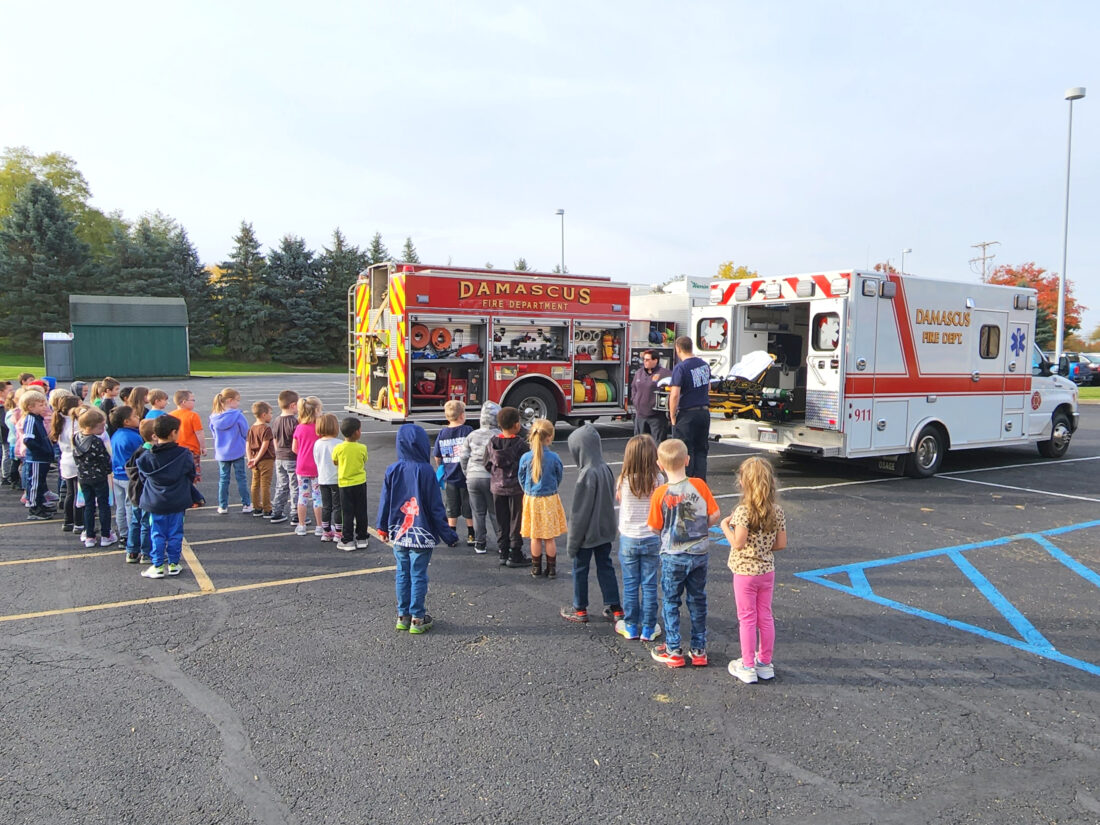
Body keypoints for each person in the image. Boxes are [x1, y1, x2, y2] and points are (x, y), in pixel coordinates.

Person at [647, 438, 721, 668]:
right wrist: (702, 526)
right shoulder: (699, 485)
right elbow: (715, 515)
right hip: (699, 552)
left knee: (670, 600)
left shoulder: (660, 494)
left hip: (673, 554)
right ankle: (698, 649)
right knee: (697, 599)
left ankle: (674, 648)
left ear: (660, 464)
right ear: (687, 460)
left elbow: (653, 527)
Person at [378, 423, 457, 633]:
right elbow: (435, 507)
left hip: (398, 531)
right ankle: (418, 617)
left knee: (402, 572)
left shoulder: (393, 469)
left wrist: (382, 527)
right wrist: (448, 534)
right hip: (422, 534)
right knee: (418, 573)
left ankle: (402, 615)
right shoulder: (426, 471)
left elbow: (385, 501)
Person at [720, 456, 787, 684]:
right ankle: (764, 663)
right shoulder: (776, 511)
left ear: (744, 483)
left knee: (747, 619)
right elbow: (781, 544)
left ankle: (747, 665)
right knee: (765, 616)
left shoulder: (743, 511)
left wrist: (724, 527)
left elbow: (738, 543)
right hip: (766, 570)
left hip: (744, 572)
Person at [559, 423, 623, 624]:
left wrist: (572, 542)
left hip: (587, 534)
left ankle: (580, 608)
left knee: (580, 569)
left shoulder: (586, 474)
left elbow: (579, 514)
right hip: (604, 531)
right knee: (606, 566)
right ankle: (615, 608)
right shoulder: (605, 468)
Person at [614, 434, 664, 642]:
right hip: (652, 536)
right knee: (650, 583)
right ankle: (649, 627)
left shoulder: (624, 479)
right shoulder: (658, 479)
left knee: (630, 583)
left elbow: (619, 498)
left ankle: (631, 625)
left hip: (629, 537)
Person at [137, 414, 197, 579]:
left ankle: (157, 565)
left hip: (155, 501)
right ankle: (173, 563)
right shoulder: (184, 454)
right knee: (176, 533)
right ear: (173, 433)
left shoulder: (146, 457)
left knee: (157, 533)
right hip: (177, 500)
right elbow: (191, 474)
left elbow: (143, 478)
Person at [519, 418, 566, 578]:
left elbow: (521, 476)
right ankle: (551, 569)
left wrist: (526, 490)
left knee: (535, 536)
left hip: (532, 500)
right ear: (550, 437)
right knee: (549, 537)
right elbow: (559, 476)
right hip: (549, 499)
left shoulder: (526, 457)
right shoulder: (554, 457)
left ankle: (536, 568)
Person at [485, 406, 529, 567]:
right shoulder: (520, 444)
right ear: (517, 425)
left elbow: (487, 463)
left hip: (497, 486)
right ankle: (515, 552)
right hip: (516, 487)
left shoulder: (492, 442)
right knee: (515, 519)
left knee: (501, 519)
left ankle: (502, 550)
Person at [458, 401, 501, 556]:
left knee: (478, 512)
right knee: (495, 512)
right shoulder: (498, 435)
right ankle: (502, 543)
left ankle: (480, 543)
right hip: (491, 477)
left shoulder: (472, 435)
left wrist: (467, 473)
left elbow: (463, 457)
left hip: (473, 477)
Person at [667, 336, 711, 480]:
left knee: (685, 450)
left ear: (678, 349)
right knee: (701, 450)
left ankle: (687, 484)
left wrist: (672, 416)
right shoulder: (704, 365)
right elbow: (708, 386)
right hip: (704, 412)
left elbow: (674, 395)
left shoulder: (681, 367)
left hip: (687, 414)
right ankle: (701, 484)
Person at [432, 399, 475, 546]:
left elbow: (437, 456)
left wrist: (441, 467)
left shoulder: (442, 433)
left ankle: (452, 534)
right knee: (468, 505)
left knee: (451, 506)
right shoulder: (468, 430)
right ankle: (471, 533)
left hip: (450, 476)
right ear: (462, 415)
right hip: (466, 475)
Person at [73, 407, 115, 548]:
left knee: (88, 506)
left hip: (83, 477)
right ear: (90, 427)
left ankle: (89, 535)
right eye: (101, 426)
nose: (103, 429)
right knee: (103, 505)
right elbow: (104, 458)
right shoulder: (96, 441)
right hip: (99, 476)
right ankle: (105, 534)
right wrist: (108, 470)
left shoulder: (76, 438)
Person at [210, 388, 252, 514]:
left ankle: (223, 505)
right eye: (237, 400)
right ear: (230, 401)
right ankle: (246, 503)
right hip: (237, 450)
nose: (238, 403)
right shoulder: (238, 415)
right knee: (241, 478)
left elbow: (214, 434)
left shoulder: (214, 417)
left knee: (223, 479)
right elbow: (245, 432)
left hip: (222, 452)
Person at [124, 418, 158, 565]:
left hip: (134, 492)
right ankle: (146, 553)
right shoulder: (150, 454)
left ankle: (132, 551)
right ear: (154, 436)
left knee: (135, 521)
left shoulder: (138, 450)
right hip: (144, 494)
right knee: (146, 523)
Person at [109, 405, 144, 547]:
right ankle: (132, 535)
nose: (138, 418)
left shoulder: (116, 434)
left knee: (121, 507)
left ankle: (123, 534)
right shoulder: (133, 437)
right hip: (129, 477)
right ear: (126, 421)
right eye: (135, 416)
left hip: (117, 475)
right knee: (131, 507)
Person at [333, 417, 369, 551]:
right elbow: (364, 460)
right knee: (361, 511)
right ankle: (362, 537)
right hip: (360, 482)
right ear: (356, 433)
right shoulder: (362, 448)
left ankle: (347, 539)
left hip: (344, 483)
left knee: (347, 512)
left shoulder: (338, 448)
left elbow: (335, 461)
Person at [20, 389, 54, 520]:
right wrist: (42, 450)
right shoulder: (30, 419)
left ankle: (40, 503)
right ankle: (34, 508)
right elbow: (28, 439)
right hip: (36, 459)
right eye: (40, 405)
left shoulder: (38, 419)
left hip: (42, 458)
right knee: (34, 483)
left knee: (40, 483)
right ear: (30, 407)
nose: (44, 407)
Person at [292, 396, 323, 536]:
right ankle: (319, 526)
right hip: (316, 467)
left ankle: (302, 524)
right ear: (316, 410)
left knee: (302, 496)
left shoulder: (299, 428)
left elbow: (294, 448)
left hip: (302, 466)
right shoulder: (319, 428)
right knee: (317, 497)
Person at [270, 389, 299, 526]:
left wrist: (277, 453)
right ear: (293, 405)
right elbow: (296, 442)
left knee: (281, 485)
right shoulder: (294, 422)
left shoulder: (276, 420)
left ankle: (277, 511)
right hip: (291, 457)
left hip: (279, 456)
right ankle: (296, 514)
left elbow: (274, 439)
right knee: (295, 486)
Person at [630, 350, 672, 443]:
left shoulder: (665, 374)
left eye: (648, 360)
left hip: (656, 417)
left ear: (655, 360)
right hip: (640, 415)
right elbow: (633, 388)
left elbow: (672, 391)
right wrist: (635, 400)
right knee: (640, 445)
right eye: (644, 359)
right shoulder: (639, 373)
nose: (645, 361)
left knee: (658, 444)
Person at [312, 413, 342, 540]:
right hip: (336, 478)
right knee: (338, 506)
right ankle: (339, 532)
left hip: (323, 478)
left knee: (326, 505)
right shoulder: (338, 443)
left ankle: (326, 531)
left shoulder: (317, 443)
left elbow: (316, 459)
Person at [246, 401, 276, 519]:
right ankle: (267, 509)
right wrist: (258, 458)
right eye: (270, 413)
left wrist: (250, 459)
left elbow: (247, 445)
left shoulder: (252, 428)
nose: (271, 415)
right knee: (265, 484)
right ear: (264, 415)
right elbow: (265, 445)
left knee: (255, 484)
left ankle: (257, 507)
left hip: (254, 459)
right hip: (265, 459)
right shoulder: (266, 429)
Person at [169, 389, 206, 483]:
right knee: (192, 476)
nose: (194, 402)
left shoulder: (170, 415)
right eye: (192, 400)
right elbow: (199, 432)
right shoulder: (193, 416)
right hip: (191, 450)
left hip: (175, 449)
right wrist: (203, 447)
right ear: (184, 402)